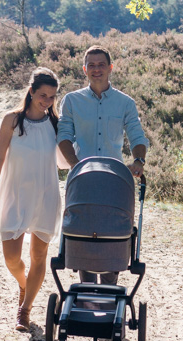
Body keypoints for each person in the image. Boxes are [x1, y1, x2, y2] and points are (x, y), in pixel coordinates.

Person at [57, 45, 149, 285]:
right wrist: (77, 167)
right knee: (83, 235)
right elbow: (64, 137)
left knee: (114, 235)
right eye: (91, 65)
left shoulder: (125, 103)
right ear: (84, 69)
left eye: (101, 65)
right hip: (82, 179)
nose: (96, 69)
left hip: (113, 182)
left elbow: (137, 137)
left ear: (110, 68)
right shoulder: (72, 101)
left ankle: (109, 291)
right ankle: (86, 290)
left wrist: (138, 161)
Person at [0, 68, 62, 331]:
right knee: (11, 257)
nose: (47, 101)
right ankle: (23, 283)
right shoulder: (12, 120)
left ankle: (25, 309)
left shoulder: (56, 124)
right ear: (31, 91)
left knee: (39, 255)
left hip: (46, 194)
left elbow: (65, 160)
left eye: (52, 97)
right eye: (43, 95)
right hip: (14, 194)